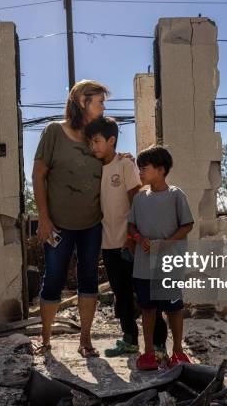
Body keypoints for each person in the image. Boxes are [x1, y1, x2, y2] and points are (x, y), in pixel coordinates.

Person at [32, 80, 108, 358]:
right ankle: (46, 340)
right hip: (57, 224)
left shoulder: (99, 135)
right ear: (81, 101)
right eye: (99, 102)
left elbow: (108, 163)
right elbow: (38, 175)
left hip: (92, 223)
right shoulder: (54, 131)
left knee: (89, 279)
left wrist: (119, 157)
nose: (103, 107)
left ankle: (85, 340)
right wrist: (43, 218)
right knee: (53, 279)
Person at [84, 116, 169, 360]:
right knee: (121, 296)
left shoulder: (125, 166)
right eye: (91, 142)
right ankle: (130, 340)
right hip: (108, 243)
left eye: (98, 141)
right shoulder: (95, 168)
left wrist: (133, 238)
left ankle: (159, 345)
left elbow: (137, 202)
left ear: (111, 141)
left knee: (145, 296)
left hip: (129, 242)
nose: (94, 147)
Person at [128, 145, 194, 370]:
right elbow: (131, 225)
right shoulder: (139, 199)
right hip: (144, 265)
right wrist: (139, 238)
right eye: (139, 168)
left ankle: (177, 352)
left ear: (161, 169)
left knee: (173, 308)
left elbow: (187, 224)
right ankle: (148, 353)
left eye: (144, 168)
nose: (140, 173)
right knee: (147, 308)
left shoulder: (176, 195)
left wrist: (167, 243)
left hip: (168, 265)